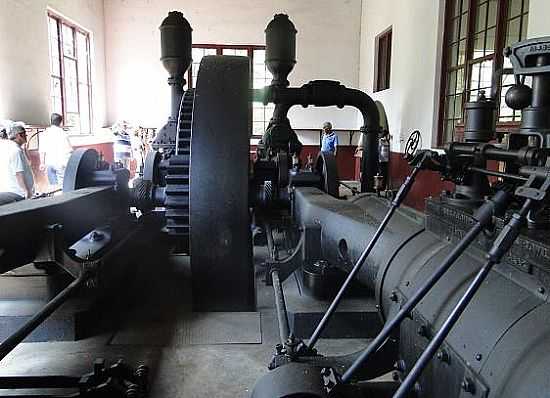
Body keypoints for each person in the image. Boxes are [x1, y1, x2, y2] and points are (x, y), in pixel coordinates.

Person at [0, 123, 34, 205]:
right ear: (19, 135)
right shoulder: (16, 151)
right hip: (18, 193)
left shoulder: (7, 147)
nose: (26, 136)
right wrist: (26, 191)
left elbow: (28, 163)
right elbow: (18, 173)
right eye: (25, 134)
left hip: (8, 190)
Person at [39, 113, 73, 189]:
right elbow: (69, 150)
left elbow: (42, 150)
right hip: (61, 163)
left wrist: (42, 163)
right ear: (60, 122)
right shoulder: (63, 133)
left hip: (49, 163)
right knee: (62, 186)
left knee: (53, 187)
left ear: (51, 121)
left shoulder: (44, 133)